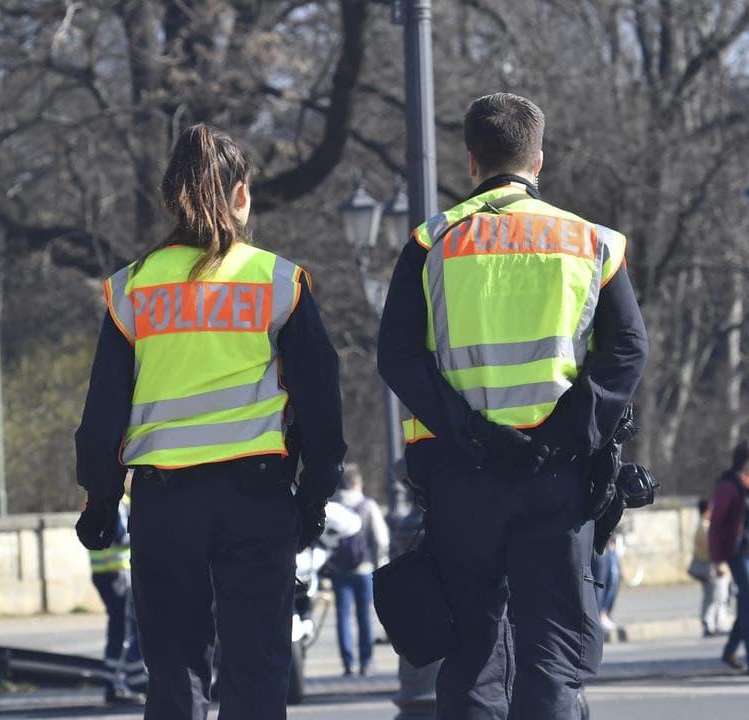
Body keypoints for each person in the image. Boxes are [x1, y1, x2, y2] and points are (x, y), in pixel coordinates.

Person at [377, 92, 648, 718]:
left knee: (472, 652)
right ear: (539, 160)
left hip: (463, 481)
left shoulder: (430, 243)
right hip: (557, 480)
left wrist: (470, 433)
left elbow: (398, 357)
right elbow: (628, 349)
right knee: (551, 655)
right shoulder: (591, 243)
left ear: (471, 162)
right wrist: (562, 435)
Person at [73, 123, 347, 720]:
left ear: (170, 197)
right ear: (242, 195)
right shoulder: (279, 282)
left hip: (164, 506)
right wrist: (315, 494)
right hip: (256, 498)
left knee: (175, 677)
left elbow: (103, 415)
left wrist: (98, 503)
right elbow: (322, 402)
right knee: (256, 674)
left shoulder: (132, 290)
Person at [327, 464, 389, 676]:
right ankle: (366, 661)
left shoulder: (332, 506)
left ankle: (347, 663)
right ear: (356, 482)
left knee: (342, 616)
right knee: (365, 616)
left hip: (338, 569)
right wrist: (378, 562)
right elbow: (381, 539)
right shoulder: (368, 505)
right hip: (364, 569)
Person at [88, 486, 148, 704]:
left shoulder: (99, 497)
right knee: (122, 631)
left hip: (108, 573)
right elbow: (120, 536)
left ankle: (134, 680)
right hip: (117, 574)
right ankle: (115, 685)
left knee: (125, 629)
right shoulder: (116, 500)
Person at [709, 441, 749, 672]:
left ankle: (730, 651)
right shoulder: (729, 485)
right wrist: (717, 559)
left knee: (745, 602)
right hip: (737, 553)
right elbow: (716, 524)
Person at [690, 498, 732, 638]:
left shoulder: (700, 525)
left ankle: (709, 623)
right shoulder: (707, 527)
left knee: (710, 596)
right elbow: (713, 549)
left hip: (705, 566)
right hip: (712, 567)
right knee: (717, 597)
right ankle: (713, 623)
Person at [591, 532, 623, 637]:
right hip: (601, 544)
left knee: (613, 580)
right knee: (601, 583)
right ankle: (599, 616)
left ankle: (604, 614)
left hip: (609, 542)